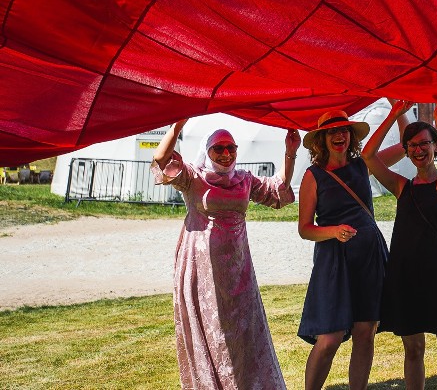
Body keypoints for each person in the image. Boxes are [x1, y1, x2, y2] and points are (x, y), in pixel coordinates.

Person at [151, 119, 300, 390]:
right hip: (201, 266)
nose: (226, 153)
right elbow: (161, 160)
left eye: (231, 147)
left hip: (238, 266)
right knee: (212, 327)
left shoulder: (243, 179)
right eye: (218, 148)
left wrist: (290, 152)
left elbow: (277, 188)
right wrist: (178, 124)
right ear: (207, 151)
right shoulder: (192, 176)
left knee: (242, 330)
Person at [362, 101, 437, 390]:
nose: (417, 150)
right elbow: (369, 156)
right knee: (413, 350)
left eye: (424, 144)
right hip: (405, 277)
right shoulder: (403, 187)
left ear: (436, 147)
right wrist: (394, 115)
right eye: (411, 145)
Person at [297, 109, 407, 390]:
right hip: (333, 259)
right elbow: (305, 228)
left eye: (344, 130)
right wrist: (333, 231)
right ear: (321, 139)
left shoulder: (364, 164)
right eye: (333, 131)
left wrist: (398, 111)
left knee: (365, 330)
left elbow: (408, 145)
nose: (339, 135)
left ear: (351, 136)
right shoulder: (314, 176)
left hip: (369, 254)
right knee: (329, 337)